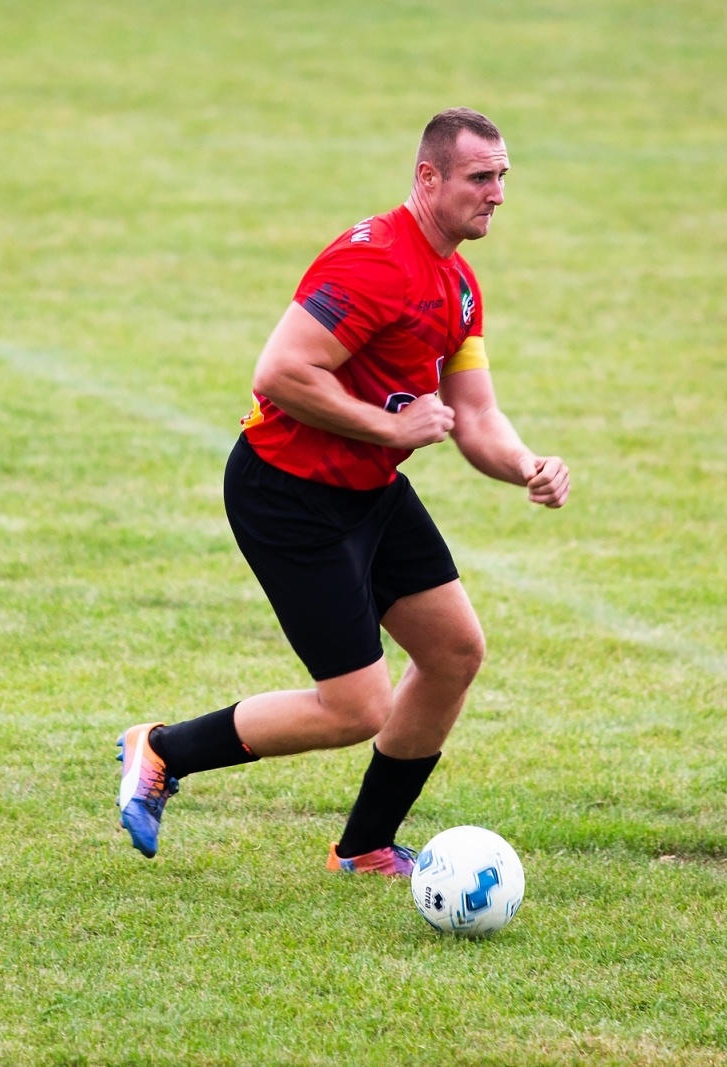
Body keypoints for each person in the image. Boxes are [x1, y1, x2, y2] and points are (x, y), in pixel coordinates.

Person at [116, 108, 570, 874]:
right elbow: (281, 373)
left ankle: (363, 847)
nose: (496, 193)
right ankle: (160, 750)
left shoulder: (458, 286)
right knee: (356, 707)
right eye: (479, 177)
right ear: (428, 178)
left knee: (454, 650)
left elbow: (476, 414)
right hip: (288, 492)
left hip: (366, 489)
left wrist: (526, 462)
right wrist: (388, 430)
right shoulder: (375, 262)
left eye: (502, 178)